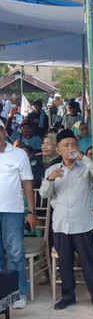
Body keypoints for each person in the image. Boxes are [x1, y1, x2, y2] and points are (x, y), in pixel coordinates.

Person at [40, 129, 93, 310]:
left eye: (74, 145)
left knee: (89, 262)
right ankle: (68, 296)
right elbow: (44, 194)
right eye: (66, 146)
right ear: (58, 150)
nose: (70, 148)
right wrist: (50, 180)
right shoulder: (52, 169)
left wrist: (84, 158)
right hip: (60, 225)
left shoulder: (85, 168)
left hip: (83, 224)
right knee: (64, 263)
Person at [0, 122, 38, 309]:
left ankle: (18, 292)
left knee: (15, 253)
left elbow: (27, 184)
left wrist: (31, 212)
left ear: (5, 132)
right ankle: (2, 295)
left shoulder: (19, 154)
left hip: (12, 211)